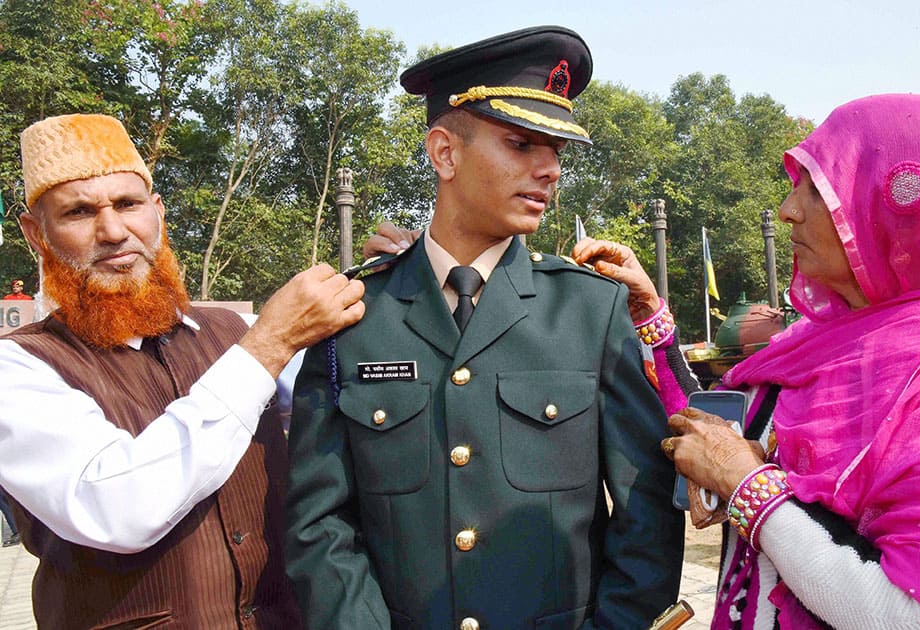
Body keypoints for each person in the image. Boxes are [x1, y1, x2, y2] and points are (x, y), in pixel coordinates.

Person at [285, 26, 685, 629]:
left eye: (555, 150)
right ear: (445, 152)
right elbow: (319, 524)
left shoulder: (590, 310)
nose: (549, 168)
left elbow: (646, 514)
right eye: (522, 144)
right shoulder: (352, 313)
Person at [625, 94, 920, 629]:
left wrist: (748, 487)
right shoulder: (812, 343)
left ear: (899, 206)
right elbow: (709, 430)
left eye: (818, 191)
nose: (787, 210)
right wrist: (655, 324)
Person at [0, 113, 365, 628]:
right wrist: (269, 345)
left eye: (128, 204)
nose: (113, 231)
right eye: (79, 212)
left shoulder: (230, 330)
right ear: (37, 235)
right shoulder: (20, 366)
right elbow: (116, 508)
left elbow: (357, 383)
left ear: (157, 214)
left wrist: (407, 278)